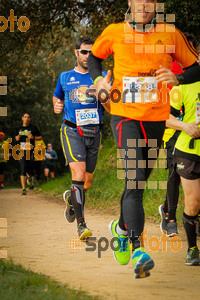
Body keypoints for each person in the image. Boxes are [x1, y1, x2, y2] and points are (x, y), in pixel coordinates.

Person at [88, 0, 200, 278]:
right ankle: (138, 248)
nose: (145, 4)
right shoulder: (115, 32)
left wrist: (179, 78)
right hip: (125, 115)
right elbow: (93, 56)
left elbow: (196, 66)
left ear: (158, 4)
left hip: (156, 121)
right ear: (130, 2)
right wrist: (99, 79)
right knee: (135, 179)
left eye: (151, 0)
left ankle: (122, 228)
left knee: (140, 179)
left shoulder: (171, 33)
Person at [53, 37, 106, 240]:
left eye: (92, 53)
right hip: (72, 130)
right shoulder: (65, 77)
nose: (88, 56)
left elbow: (111, 106)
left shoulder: (101, 78)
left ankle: (71, 200)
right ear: (76, 53)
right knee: (79, 172)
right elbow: (57, 96)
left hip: (95, 132)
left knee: (87, 182)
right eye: (84, 52)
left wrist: (104, 96)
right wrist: (56, 105)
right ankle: (81, 225)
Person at [159, 34, 200, 237]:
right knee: (174, 173)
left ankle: (190, 217)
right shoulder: (172, 70)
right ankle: (170, 217)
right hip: (174, 130)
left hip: (193, 133)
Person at [166, 81, 200, 265]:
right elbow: (166, 117)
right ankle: (192, 249)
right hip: (188, 152)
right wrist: (186, 126)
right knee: (193, 202)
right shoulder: (182, 87)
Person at [15, 113, 42, 195]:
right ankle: (23, 189)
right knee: (23, 168)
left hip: (30, 150)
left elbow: (40, 137)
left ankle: (29, 177)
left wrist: (33, 137)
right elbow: (16, 139)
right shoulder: (19, 128)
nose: (26, 119)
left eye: (28, 117)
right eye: (25, 117)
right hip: (21, 150)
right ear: (22, 118)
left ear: (30, 119)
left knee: (30, 166)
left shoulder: (33, 128)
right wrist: (16, 138)